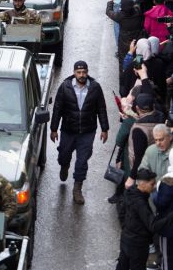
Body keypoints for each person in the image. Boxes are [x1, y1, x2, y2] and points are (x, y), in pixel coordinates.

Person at [50, 60, 109, 204]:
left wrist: (104, 128)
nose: (81, 75)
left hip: (87, 131)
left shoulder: (95, 87)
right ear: (74, 72)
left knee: (82, 160)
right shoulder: (65, 87)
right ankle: (64, 166)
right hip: (68, 130)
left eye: (84, 72)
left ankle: (77, 189)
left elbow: (101, 108)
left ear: (87, 72)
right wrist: (53, 129)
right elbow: (57, 108)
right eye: (79, 72)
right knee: (64, 155)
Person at [117, 168, 173, 270]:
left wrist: (127, 230)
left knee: (122, 265)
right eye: (152, 184)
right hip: (138, 245)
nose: (155, 186)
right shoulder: (140, 203)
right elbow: (153, 225)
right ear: (143, 184)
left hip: (126, 239)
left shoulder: (130, 192)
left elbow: (121, 213)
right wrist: (170, 217)